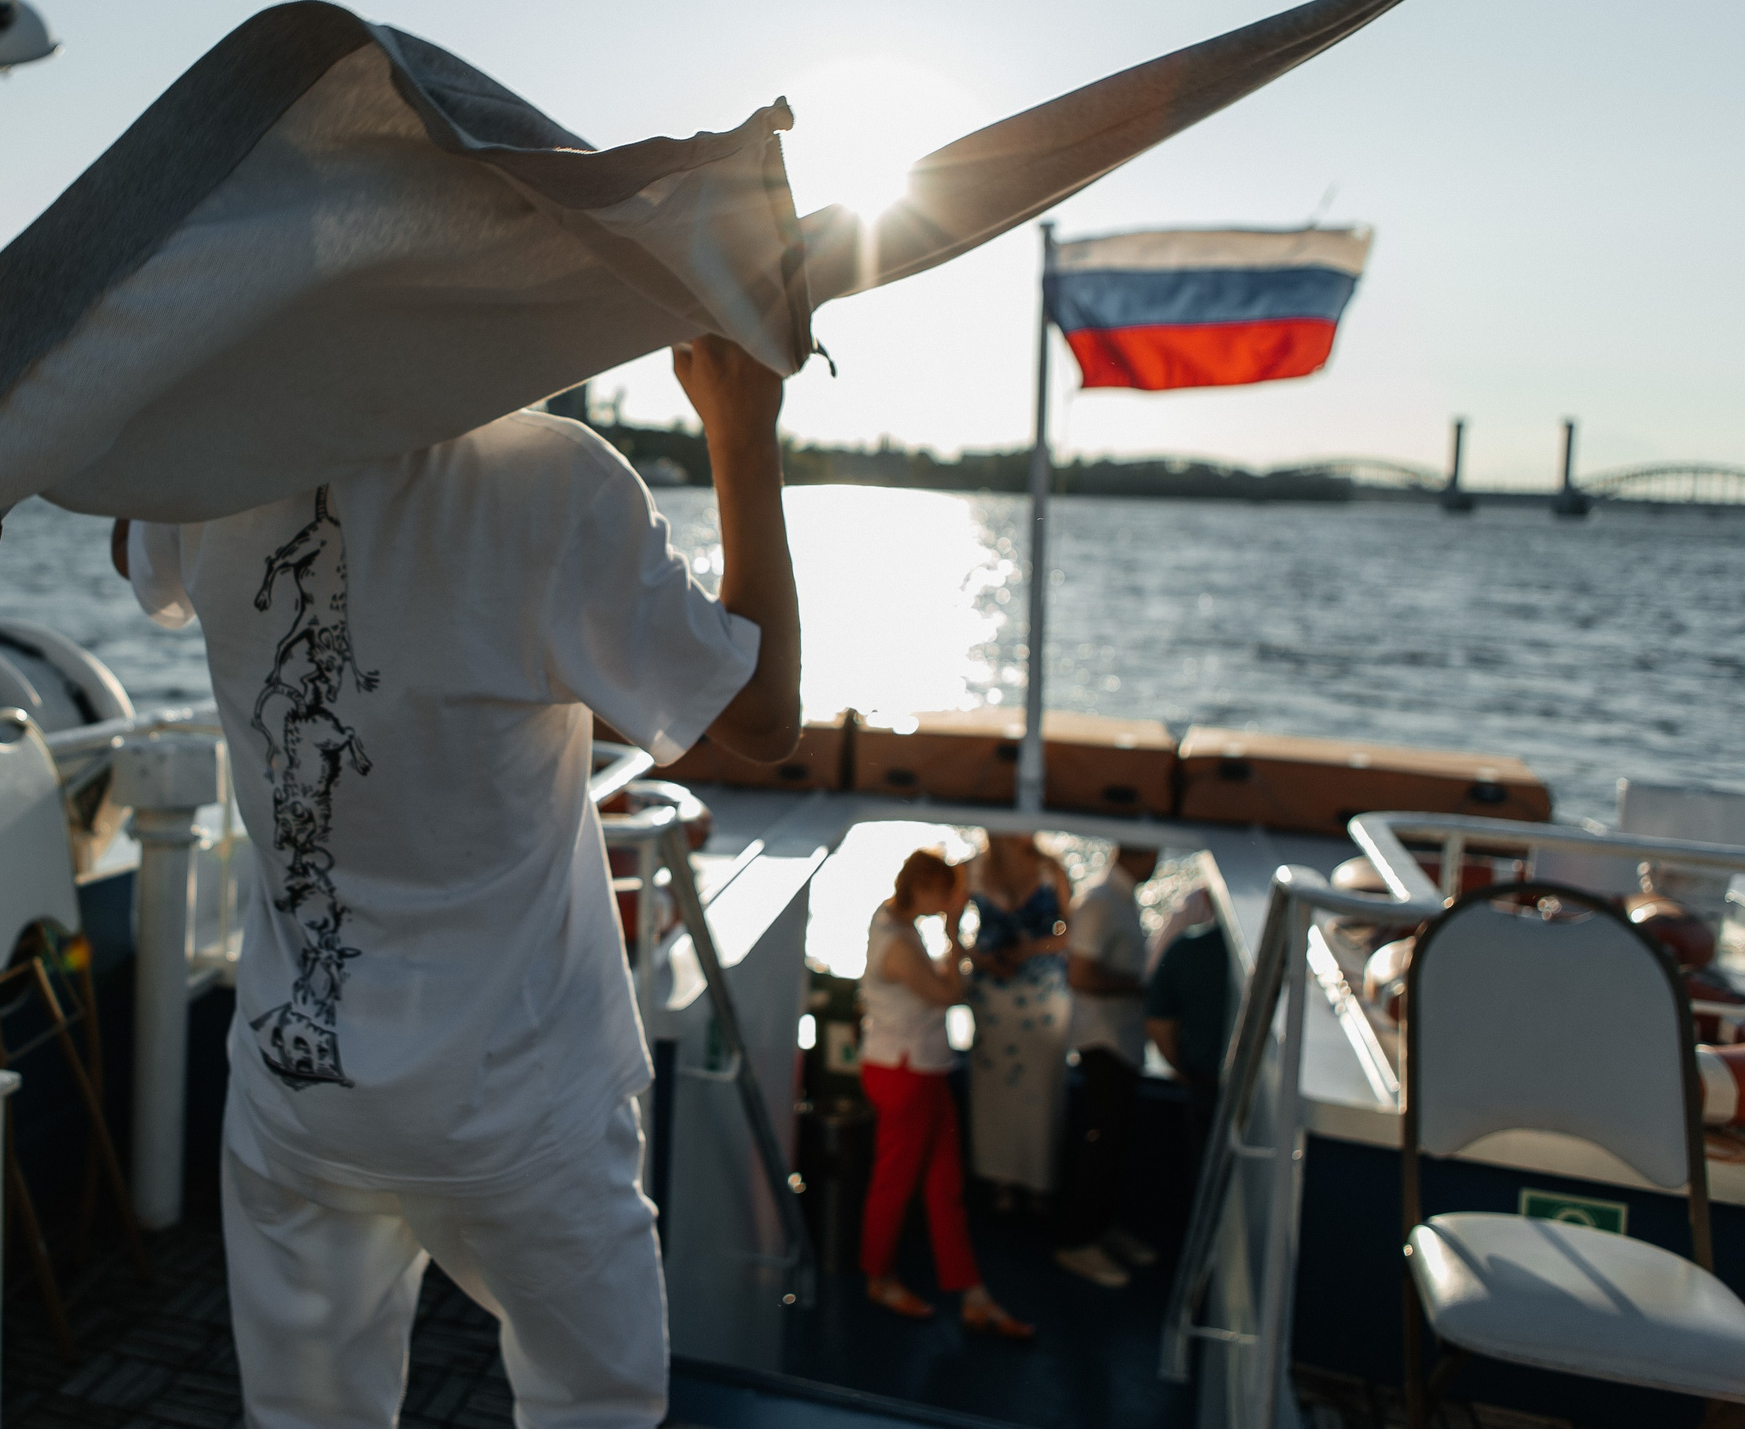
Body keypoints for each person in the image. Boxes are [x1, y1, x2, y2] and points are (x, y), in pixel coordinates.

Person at [114, 334, 801, 1429]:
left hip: (304, 1095)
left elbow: (132, 549)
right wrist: (740, 425)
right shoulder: (548, 480)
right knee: (593, 1409)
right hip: (520, 1102)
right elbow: (760, 717)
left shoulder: (218, 466)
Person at [859, 848, 1035, 1338]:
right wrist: (955, 933)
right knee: (896, 1180)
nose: (953, 898)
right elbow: (948, 995)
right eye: (947, 891)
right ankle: (879, 1277)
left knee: (944, 1187)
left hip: (921, 1069)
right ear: (925, 889)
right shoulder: (897, 942)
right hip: (905, 1072)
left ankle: (971, 1292)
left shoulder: (893, 919)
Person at [1056, 844, 1161, 1288]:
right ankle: (1077, 1242)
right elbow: (1080, 975)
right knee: (1100, 1145)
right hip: (1103, 1044)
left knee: (1113, 1144)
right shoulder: (1100, 904)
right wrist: (1139, 987)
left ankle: (1101, 1228)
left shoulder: (1120, 900)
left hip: (1122, 1042)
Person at [966, 830, 1073, 1211]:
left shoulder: (1051, 869)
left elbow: (1070, 932)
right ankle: (1001, 1182)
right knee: (994, 1090)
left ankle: (1038, 1180)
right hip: (994, 997)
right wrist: (982, 959)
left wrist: (1029, 949)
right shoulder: (972, 870)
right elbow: (952, 931)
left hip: (1043, 997)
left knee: (1041, 1091)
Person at [1147, 894, 1235, 1171]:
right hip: (1254, 1096)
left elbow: (1157, 1023)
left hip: (1203, 1083)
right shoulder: (1285, 952)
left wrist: (1183, 1070)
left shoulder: (1186, 950)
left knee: (1201, 1170)